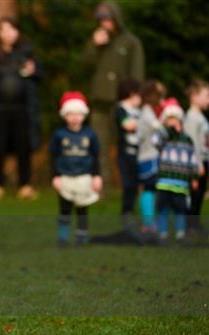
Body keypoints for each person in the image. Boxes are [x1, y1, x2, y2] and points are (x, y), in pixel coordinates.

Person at [0, 17, 42, 200]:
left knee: (24, 146)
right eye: (4, 29)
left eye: (12, 29)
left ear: (18, 31)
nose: (8, 33)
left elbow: (39, 74)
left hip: (22, 109)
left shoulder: (26, 52)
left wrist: (34, 71)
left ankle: (25, 184)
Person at [82, 1, 144, 184]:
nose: (104, 23)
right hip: (100, 102)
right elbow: (85, 65)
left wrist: (135, 98)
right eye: (101, 20)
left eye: (108, 19)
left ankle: (132, 188)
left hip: (123, 105)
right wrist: (94, 45)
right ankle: (101, 187)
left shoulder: (131, 42)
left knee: (129, 149)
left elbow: (137, 73)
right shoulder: (96, 40)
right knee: (98, 147)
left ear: (116, 19)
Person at [49, 91, 102, 246]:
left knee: (82, 208)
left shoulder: (90, 134)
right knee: (65, 208)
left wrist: (96, 176)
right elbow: (53, 156)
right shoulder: (59, 134)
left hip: (84, 177)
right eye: (71, 114)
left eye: (78, 114)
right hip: (65, 177)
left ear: (84, 115)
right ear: (65, 115)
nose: (74, 117)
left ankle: (81, 236)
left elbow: (95, 156)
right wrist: (55, 176)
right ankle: (63, 238)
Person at [153, 98, 199, 245]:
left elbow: (193, 159)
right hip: (164, 182)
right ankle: (163, 234)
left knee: (181, 209)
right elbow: (154, 140)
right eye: (169, 119)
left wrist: (194, 177)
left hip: (181, 182)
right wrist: (167, 130)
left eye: (175, 119)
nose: (173, 122)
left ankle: (180, 234)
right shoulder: (164, 138)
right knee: (162, 209)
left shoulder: (187, 140)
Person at [137, 80, 166, 233]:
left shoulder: (147, 112)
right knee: (149, 188)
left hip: (147, 156)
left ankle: (149, 222)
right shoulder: (147, 114)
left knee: (150, 189)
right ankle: (148, 223)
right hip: (149, 157)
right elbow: (160, 131)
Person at [115, 79, 142, 231]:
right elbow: (127, 125)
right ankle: (126, 215)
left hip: (138, 154)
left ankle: (132, 213)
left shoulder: (139, 111)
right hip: (126, 154)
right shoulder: (121, 109)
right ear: (132, 94)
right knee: (129, 185)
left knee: (136, 186)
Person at [184, 80, 209, 235]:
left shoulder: (201, 117)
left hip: (204, 160)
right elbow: (192, 143)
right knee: (194, 194)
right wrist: (197, 164)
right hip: (196, 163)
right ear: (194, 96)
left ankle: (195, 223)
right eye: (206, 95)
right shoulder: (192, 118)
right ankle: (189, 225)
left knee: (199, 194)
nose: (208, 99)